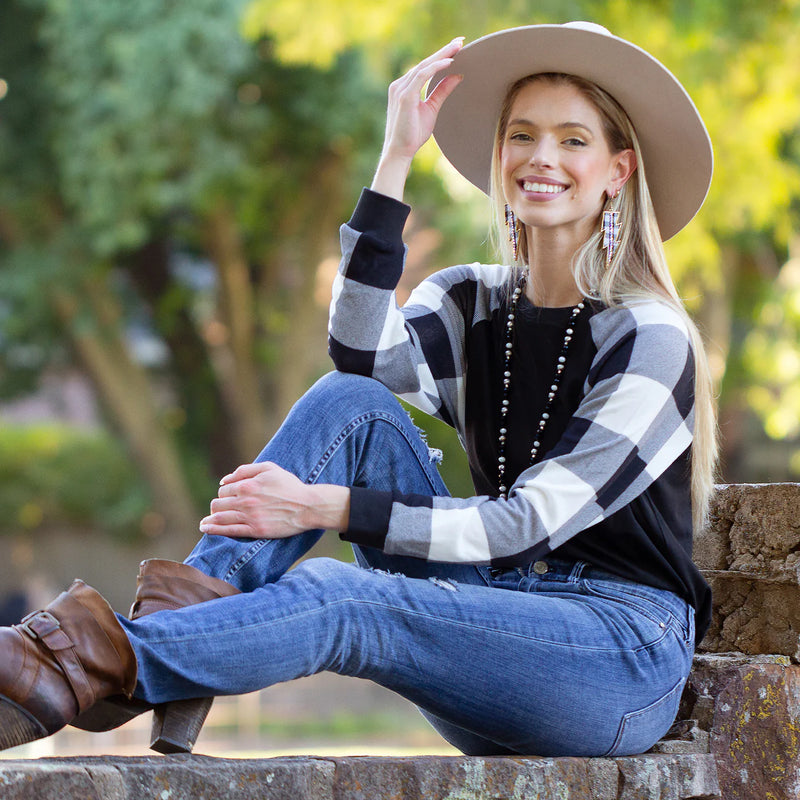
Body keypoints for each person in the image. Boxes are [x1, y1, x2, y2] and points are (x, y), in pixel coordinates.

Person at [0, 21, 717, 758]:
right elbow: (360, 352)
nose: (541, 157)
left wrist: (330, 508)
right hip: (490, 623)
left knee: (341, 598)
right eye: (522, 135)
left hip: (614, 660)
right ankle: (166, 654)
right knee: (350, 405)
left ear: (618, 170)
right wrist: (395, 156)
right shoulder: (473, 300)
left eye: (573, 141)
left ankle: (76, 661)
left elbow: (531, 523)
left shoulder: (648, 338)